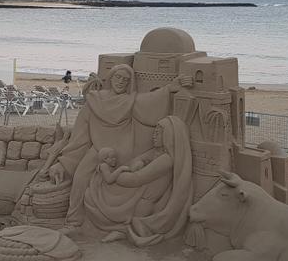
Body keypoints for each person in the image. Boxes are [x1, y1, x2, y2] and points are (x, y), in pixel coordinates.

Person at [47, 64, 193, 228]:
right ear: (111, 78)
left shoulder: (131, 101)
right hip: (97, 149)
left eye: (126, 80)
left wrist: (169, 88)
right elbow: (79, 137)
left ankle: (119, 221)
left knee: (123, 183)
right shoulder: (94, 101)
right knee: (80, 177)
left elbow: (151, 101)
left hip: (123, 152)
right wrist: (63, 164)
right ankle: (73, 222)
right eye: (118, 77)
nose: (121, 82)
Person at [83, 116, 193, 247]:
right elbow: (136, 162)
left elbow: (136, 179)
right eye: (154, 133)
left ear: (168, 136)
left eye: (158, 133)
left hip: (144, 197)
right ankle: (123, 231)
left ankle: (129, 232)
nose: (154, 136)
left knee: (95, 197)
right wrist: (139, 163)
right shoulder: (156, 152)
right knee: (94, 192)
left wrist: (114, 175)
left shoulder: (166, 159)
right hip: (135, 192)